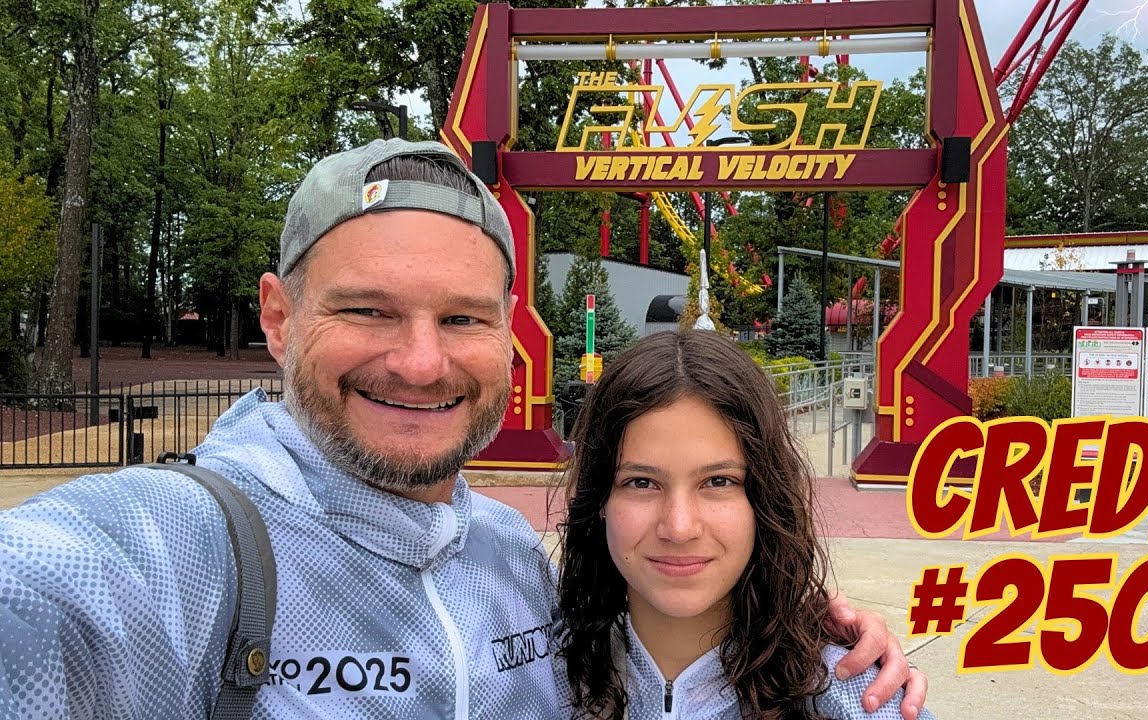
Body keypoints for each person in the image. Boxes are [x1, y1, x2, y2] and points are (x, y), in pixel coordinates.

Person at [0, 139, 925, 718]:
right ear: (278, 319)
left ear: (509, 332)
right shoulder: (172, 553)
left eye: (463, 319)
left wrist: (796, 624)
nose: (419, 361)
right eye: (367, 309)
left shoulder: (509, 560)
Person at [557, 330, 936, 719]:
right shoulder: (536, 677)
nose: (679, 526)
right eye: (641, 482)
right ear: (599, 499)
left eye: (718, 481)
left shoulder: (857, 700)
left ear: (764, 498)